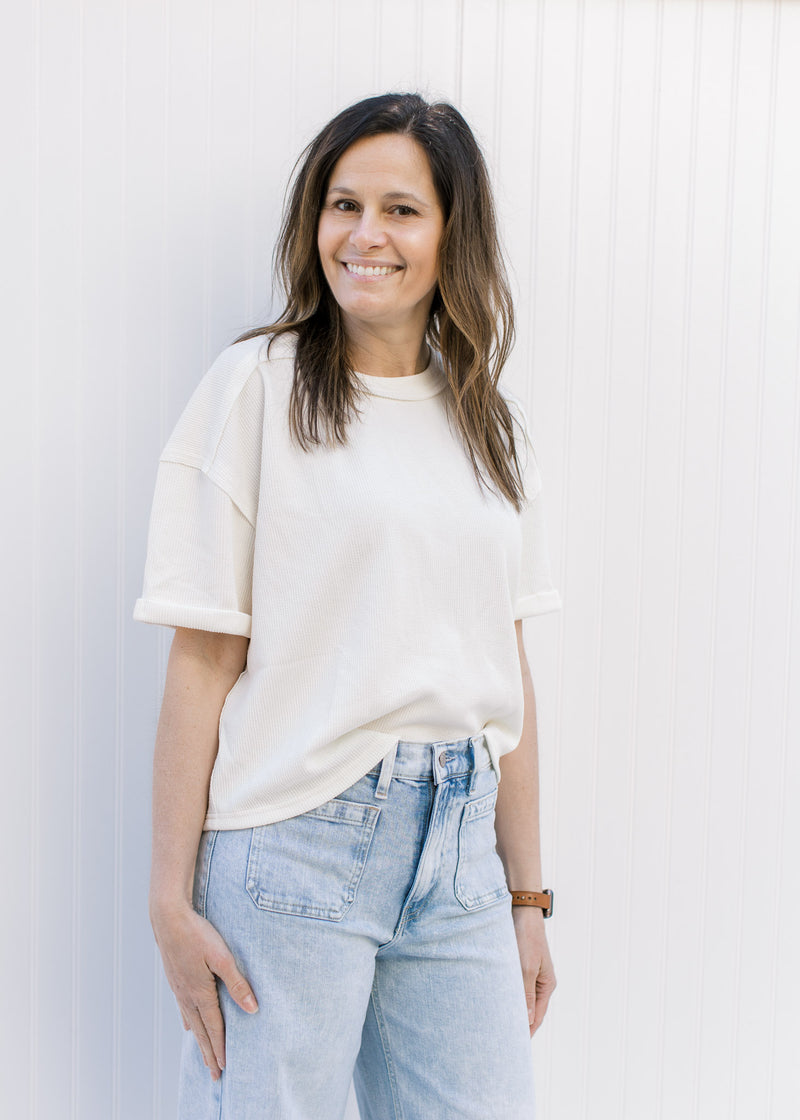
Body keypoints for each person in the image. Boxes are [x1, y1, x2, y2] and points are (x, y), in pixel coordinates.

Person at [134, 91, 562, 1120]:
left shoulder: (484, 421)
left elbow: (502, 670)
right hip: (293, 843)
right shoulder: (256, 388)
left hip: (459, 852)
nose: (364, 234)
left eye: (401, 210)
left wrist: (526, 896)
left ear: (452, 232)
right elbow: (203, 659)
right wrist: (167, 899)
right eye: (342, 203)